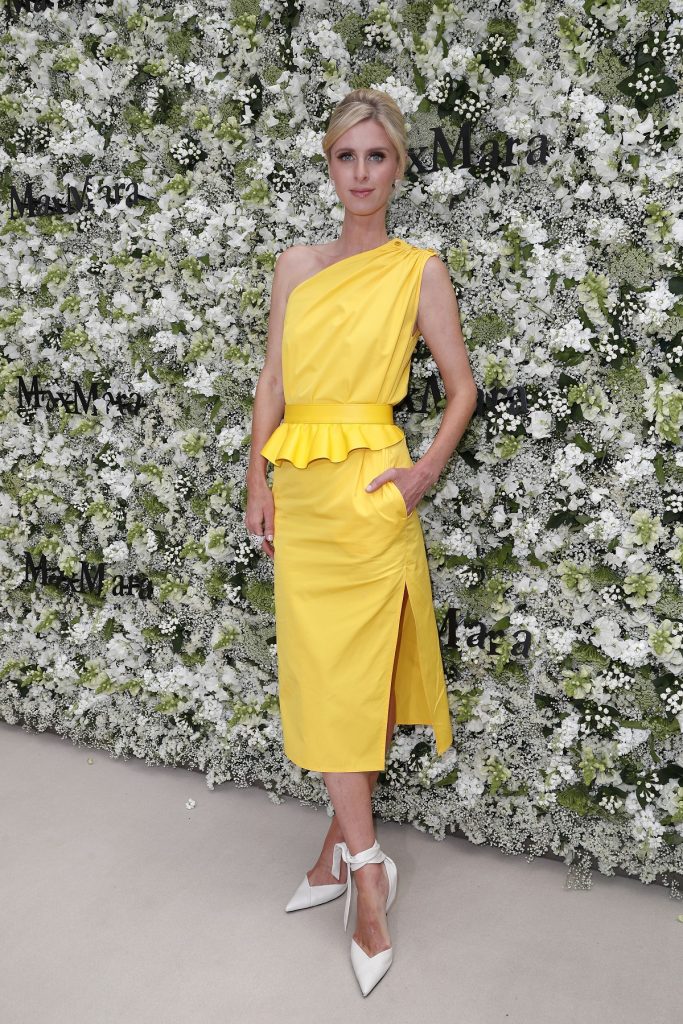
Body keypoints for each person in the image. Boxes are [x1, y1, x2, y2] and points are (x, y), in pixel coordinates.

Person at [246, 87, 477, 996]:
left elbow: (460, 388)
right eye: (346, 156)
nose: (360, 173)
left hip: (373, 493)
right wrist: (256, 480)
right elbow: (272, 380)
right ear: (329, 165)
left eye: (376, 156)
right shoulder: (295, 264)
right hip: (303, 493)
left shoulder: (418, 270)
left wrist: (421, 474)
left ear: (398, 167)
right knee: (326, 674)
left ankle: (361, 868)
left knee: (363, 679)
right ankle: (350, 852)